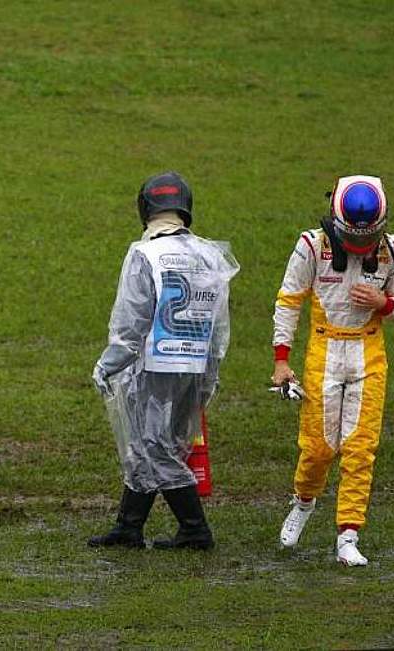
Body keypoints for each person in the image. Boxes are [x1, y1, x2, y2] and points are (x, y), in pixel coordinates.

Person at [89, 171, 239, 550]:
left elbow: (131, 322)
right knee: (158, 443)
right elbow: (220, 322)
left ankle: (194, 528)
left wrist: (108, 364)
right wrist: (212, 371)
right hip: (197, 366)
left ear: (145, 209)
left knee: (155, 447)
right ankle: (129, 526)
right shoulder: (210, 254)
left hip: (155, 367)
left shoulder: (145, 255)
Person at [273, 175, 394, 566]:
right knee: (318, 447)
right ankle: (303, 502)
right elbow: (288, 300)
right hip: (324, 349)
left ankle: (348, 535)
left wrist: (384, 302)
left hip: (369, 353)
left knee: (360, 448)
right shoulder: (311, 246)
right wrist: (281, 360)